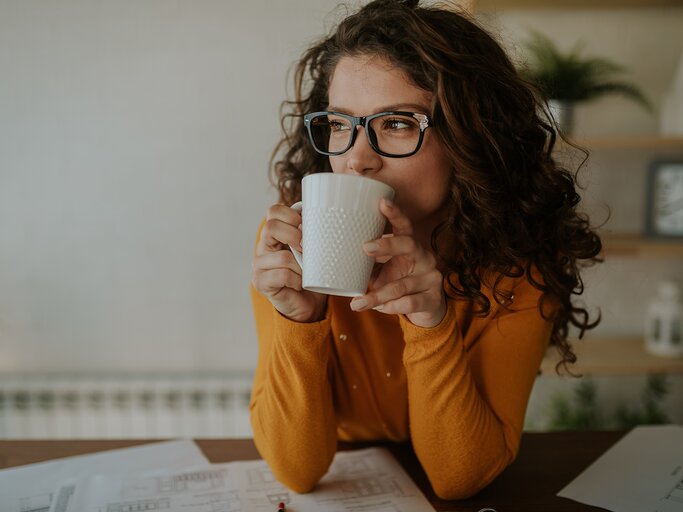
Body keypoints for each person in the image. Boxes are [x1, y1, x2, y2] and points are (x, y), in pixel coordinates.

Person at [249, 0, 602, 500]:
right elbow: (296, 472)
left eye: (397, 123)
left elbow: (459, 478)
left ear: (470, 137)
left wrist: (429, 324)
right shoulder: (292, 245)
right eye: (340, 123)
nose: (356, 160)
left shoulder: (518, 265)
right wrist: (299, 322)